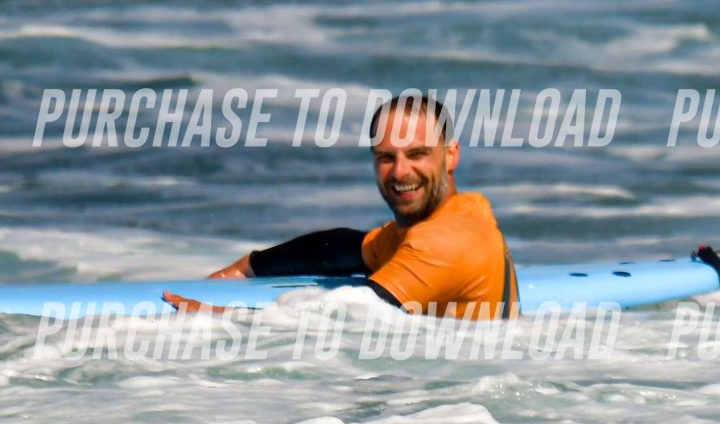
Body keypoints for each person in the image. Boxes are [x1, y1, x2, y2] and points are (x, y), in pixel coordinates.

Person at [173, 91, 516, 319]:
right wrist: (246, 268)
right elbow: (346, 247)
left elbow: (348, 318)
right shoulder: (466, 213)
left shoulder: (443, 241)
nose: (400, 171)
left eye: (417, 154)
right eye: (386, 157)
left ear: (451, 155)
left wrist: (219, 317)